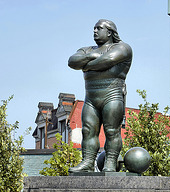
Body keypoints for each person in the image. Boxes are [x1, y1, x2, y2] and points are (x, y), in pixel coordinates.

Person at [68, 19, 132, 172]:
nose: (95, 31)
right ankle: (88, 162)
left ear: (110, 32)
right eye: (94, 28)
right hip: (91, 98)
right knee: (87, 130)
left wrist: (86, 65)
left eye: (99, 28)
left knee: (112, 131)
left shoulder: (123, 48)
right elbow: (72, 61)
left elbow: (107, 60)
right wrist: (93, 55)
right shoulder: (86, 49)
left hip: (112, 95)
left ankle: (110, 162)